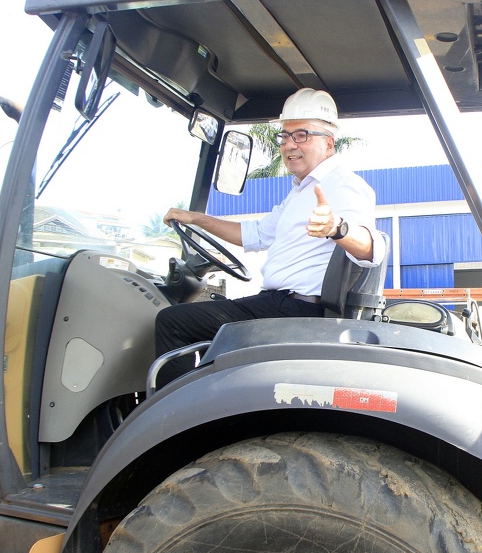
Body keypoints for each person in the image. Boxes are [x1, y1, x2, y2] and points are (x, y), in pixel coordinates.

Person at [154, 88, 386, 386]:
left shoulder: (342, 185)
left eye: (301, 135)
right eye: (285, 136)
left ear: (329, 143)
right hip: (278, 305)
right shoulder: (300, 192)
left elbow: (371, 249)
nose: (290, 145)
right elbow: (254, 234)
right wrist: (195, 219)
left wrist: (337, 228)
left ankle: (176, 419)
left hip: (296, 311)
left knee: (173, 321)